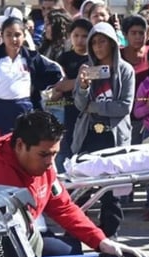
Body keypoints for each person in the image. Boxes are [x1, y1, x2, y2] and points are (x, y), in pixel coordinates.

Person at [0, 111, 141, 257]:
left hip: (20, 234)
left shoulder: (42, 165)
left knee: (69, 253)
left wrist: (102, 241)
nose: (51, 162)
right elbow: (11, 248)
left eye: (54, 154)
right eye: (44, 155)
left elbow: (64, 208)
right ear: (19, 145)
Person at [72, 21, 134, 239]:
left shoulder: (125, 70)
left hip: (114, 135)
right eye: (94, 43)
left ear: (112, 44)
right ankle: (76, 230)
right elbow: (79, 104)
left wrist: (95, 106)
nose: (98, 47)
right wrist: (82, 86)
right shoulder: (88, 70)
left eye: (102, 42)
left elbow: (125, 106)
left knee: (111, 190)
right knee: (82, 185)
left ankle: (110, 234)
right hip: (90, 134)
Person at [0, 16, 63, 143]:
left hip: (25, 111)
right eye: (9, 35)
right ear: (2, 35)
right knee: (0, 151)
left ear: (24, 35)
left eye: (17, 34)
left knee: (24, 149)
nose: (13, 39)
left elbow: (55, 73)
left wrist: (37, 85)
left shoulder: (31, 58)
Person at [54, 17, 91, 172]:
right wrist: (79, 81)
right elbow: (58, 88)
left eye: (84, 36)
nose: (80, 40)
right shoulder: (64, 58)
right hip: (68, 111)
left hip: (89, 111)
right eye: (76, 35)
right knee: (66, 151)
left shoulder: (94, 58)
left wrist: (70, 84)